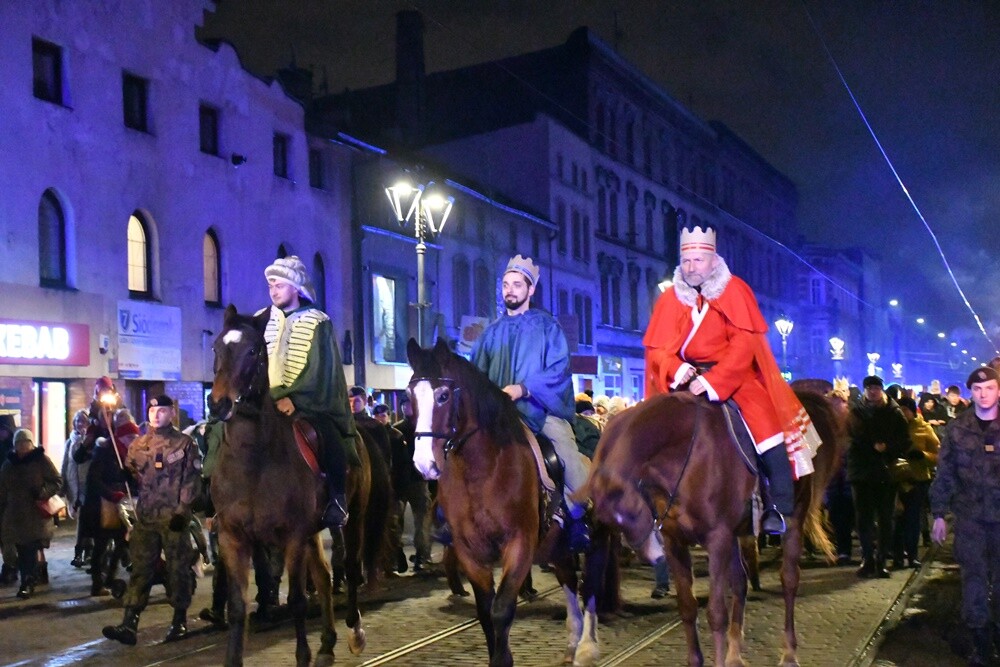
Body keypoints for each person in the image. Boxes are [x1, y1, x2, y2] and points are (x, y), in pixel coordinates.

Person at [643, 225, 819, 535]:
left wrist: (713, 381)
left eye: (698, 260)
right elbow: (657, 349)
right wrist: (676, 368)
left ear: (712, 260)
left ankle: (779, 508)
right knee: (650, 431)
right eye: (686, 261)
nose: (691, 267)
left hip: (733, 378)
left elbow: (743, 347)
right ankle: (647, 504)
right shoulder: (671, 298)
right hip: (684, 378)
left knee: (767, 430)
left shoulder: (734, 290)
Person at [471, 254, 591, 552]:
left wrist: (524, 389)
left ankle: (580, 520)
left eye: (516, 285)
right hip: (499, 416)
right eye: (505, 284)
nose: (509, 290)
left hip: (541, 411)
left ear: (531, 289)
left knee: (569, 460)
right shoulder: (491, 332)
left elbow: (560, 370)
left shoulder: (548, 327)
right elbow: (476, 374)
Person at [261, 255, 357, 529]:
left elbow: (321, 370)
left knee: (327, 436)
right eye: (271, 286)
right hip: (267, 402)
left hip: (307, 404)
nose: (273, 290)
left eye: (279, 285)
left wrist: (295, 397)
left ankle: (337, 498)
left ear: (295, 287)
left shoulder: (318, 321)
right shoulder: (263, 319)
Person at [102, 395, 202, 645]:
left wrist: (183, 510)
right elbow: (134, 475)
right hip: (146, 516)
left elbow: (191, 479)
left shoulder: (184, 444)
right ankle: (129, 623)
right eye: (153, 410)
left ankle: (179, 620)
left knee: (177, 569)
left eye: (162, 410)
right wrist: (123, 473)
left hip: (173, 517)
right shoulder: (139, 444)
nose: (156, 414)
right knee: (141, 568)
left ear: (172, 413)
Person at [931, 366, 1000, 666]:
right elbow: (944, 473)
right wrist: (938, 514)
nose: (984, 395)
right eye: (978, 389)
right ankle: (981, 643)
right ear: (971, 392)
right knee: (973, 579)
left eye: (990, 388)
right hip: (970, 517)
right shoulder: (958, 429)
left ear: (998, 391)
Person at [847, 375, 909, 578]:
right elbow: (849, 439)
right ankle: (867, 558)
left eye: (876, 387)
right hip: (862, 473)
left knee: (885, 518)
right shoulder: (855, 412)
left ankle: (881, 559)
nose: (873, 391)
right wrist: (869, 447)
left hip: (886, 472)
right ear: (865, 391)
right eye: (869, 388)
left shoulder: (894, 412)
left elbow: (905, 441)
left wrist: (888, 448)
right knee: (863, 519)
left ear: (881, 390)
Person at [0, 429, 62, 599]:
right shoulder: (8, 464)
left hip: (35, 514)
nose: (22, 446)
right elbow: (2, 490)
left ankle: (27, 582)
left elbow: (57, 481)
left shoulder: (41, 460)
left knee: (29, 549)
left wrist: (43, 492)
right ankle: (28, 578)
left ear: (31, 443)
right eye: (19, 443)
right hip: (14, 515)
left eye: (25, 442)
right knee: (18, 549)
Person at [894, 396, 939, 569]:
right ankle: (898, 556)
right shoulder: (892, 427)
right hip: (897, 479)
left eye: (906, 409)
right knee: (897, 520)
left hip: (918, 479)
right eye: (901, 409)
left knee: (913, 519)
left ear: (913, 411)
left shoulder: (924, 428)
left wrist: (923, 455)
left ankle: (912, 555)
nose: (903, 413)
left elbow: (937, 455)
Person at [391, 396, 432, 571]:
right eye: (404, 404)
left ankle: (422, 556)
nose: (406, 407)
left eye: (409, 404)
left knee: (422, 521)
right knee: (396, 522)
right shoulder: (396, 429)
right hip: (400, 482)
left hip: (417, 480)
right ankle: (397, 557)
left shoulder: (422, 427)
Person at [62, 409, 92, 568]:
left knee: (86, 520)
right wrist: (63, 485)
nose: (80, 424)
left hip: (88, 486)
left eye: (83, 421)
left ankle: (85, 551)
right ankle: (81, 552)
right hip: (74, 485)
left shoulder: (91, 440)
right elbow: (65, 464)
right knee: (81, 520)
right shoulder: (70, 441)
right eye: (78, 421)